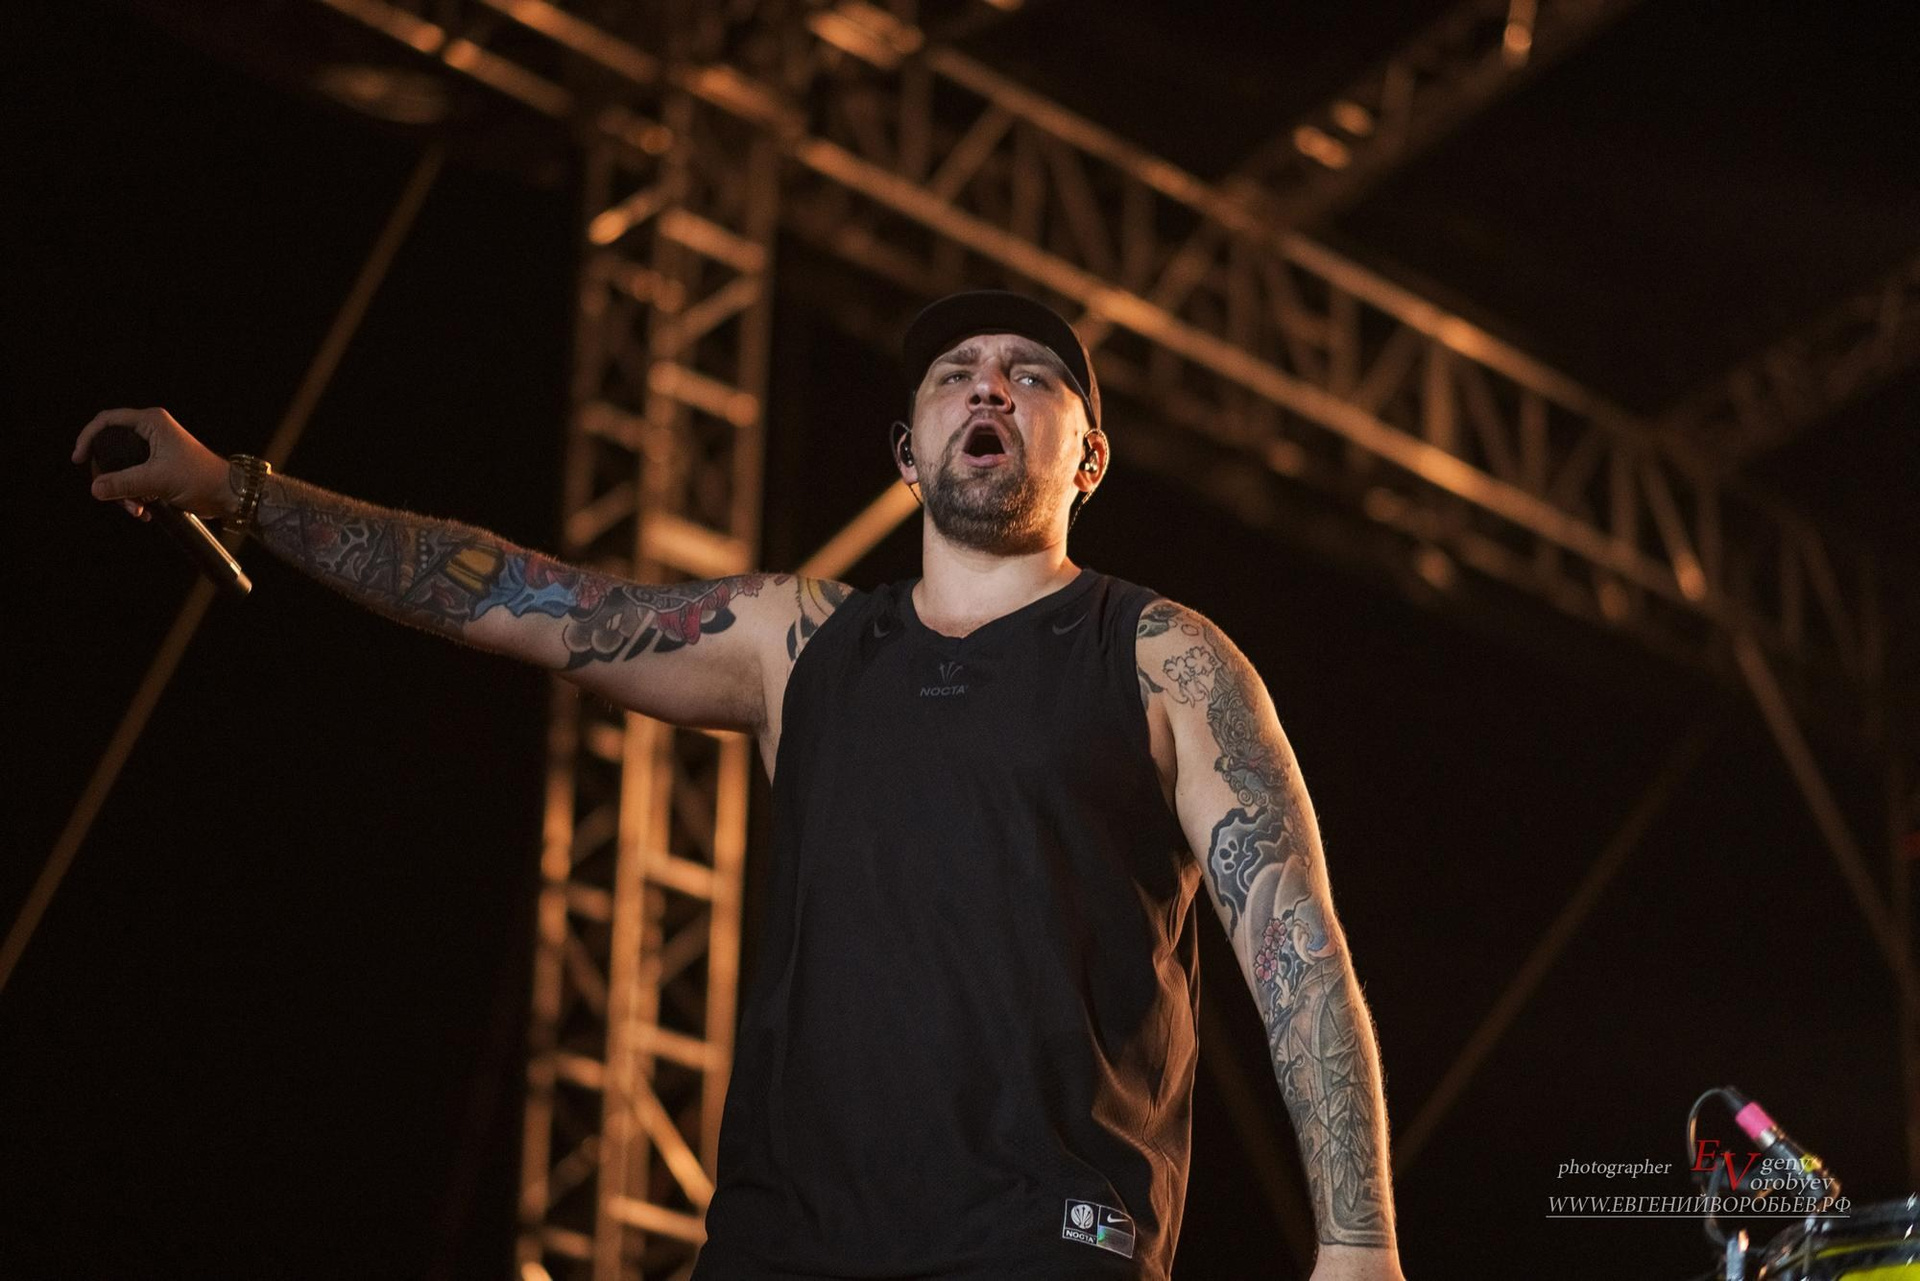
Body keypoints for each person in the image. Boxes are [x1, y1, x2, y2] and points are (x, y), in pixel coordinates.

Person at [75, 290, 1405, 1280]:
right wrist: (236, 489)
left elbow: (1296, 945)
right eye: (955, 375)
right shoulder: (796, 642)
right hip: (783, 1246)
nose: (989, 388)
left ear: (1090, 456)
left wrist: (1358, 1245)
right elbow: (514, 598)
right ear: (909, 451)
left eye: (1030, 374)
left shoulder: (1162, 656)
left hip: (1041, 1241)